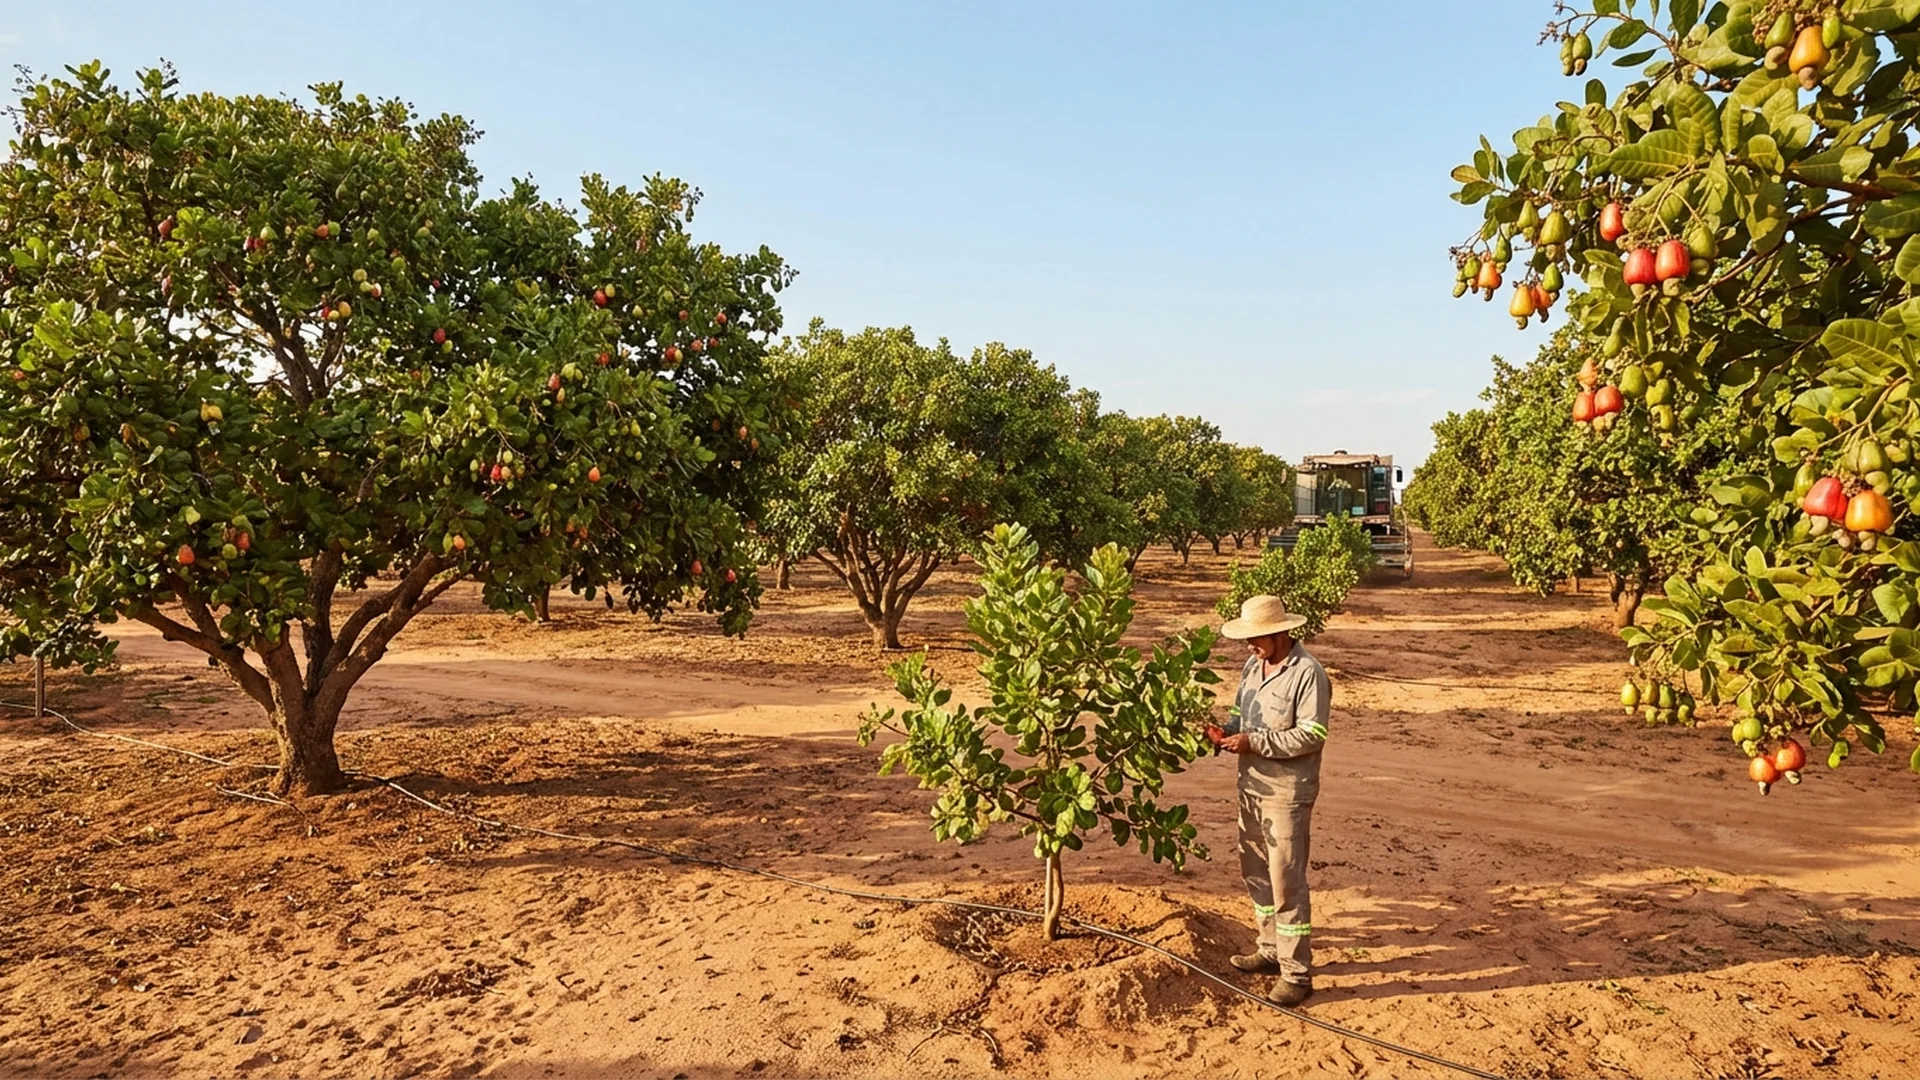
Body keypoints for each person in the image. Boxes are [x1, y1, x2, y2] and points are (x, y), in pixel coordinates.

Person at [1207, 593, 1330, 1007]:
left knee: (1286, 883)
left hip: (1286, 794)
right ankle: (1269, 948)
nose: (1249, 645)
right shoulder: (1251, 666)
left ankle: (1296, 974)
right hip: (1251, 789)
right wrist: (1224, 733)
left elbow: (1313, 734)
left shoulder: (1308, 674)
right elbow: (1241, 717)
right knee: (1256, 872)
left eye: (1257, 638)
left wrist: (1254, 742)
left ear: (1281, 633)